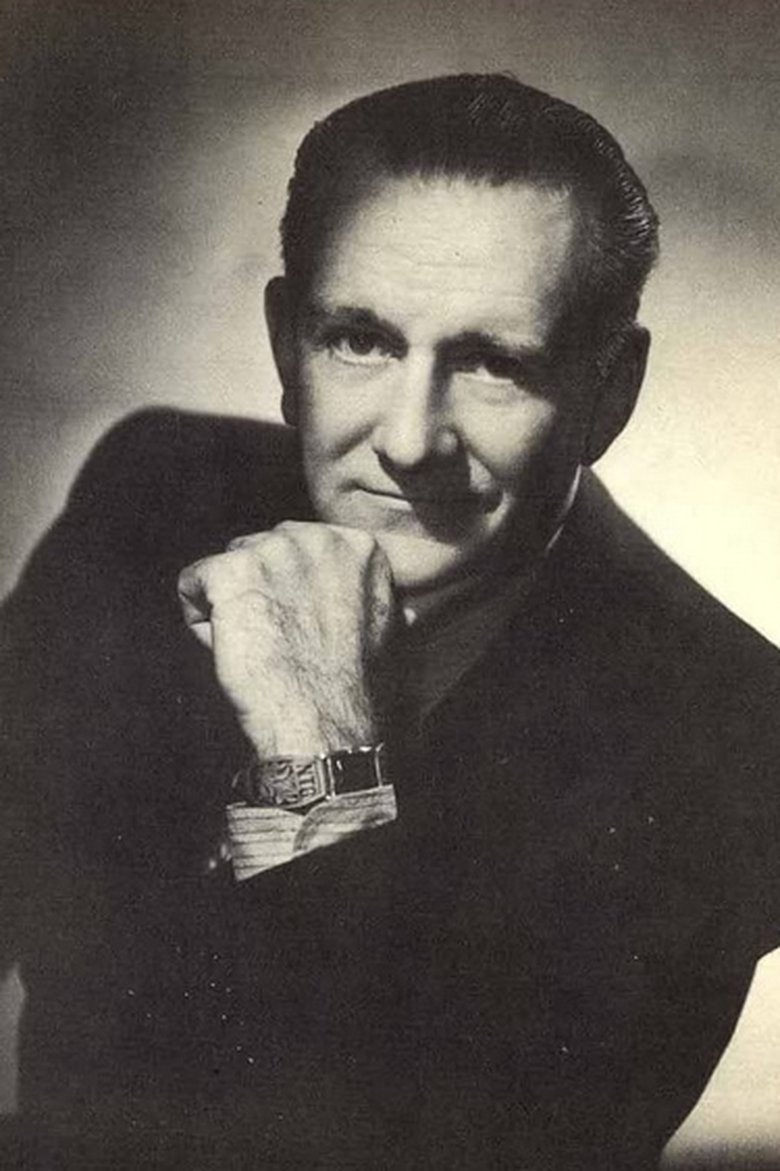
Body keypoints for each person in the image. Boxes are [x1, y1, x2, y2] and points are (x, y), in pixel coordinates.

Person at [1, 73, 779, 1170]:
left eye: (494, 363)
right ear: (288, 343)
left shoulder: (736, 746)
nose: (410, 442)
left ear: (610, 391)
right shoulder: (152, 489)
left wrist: (320, 754)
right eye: (360, 340)